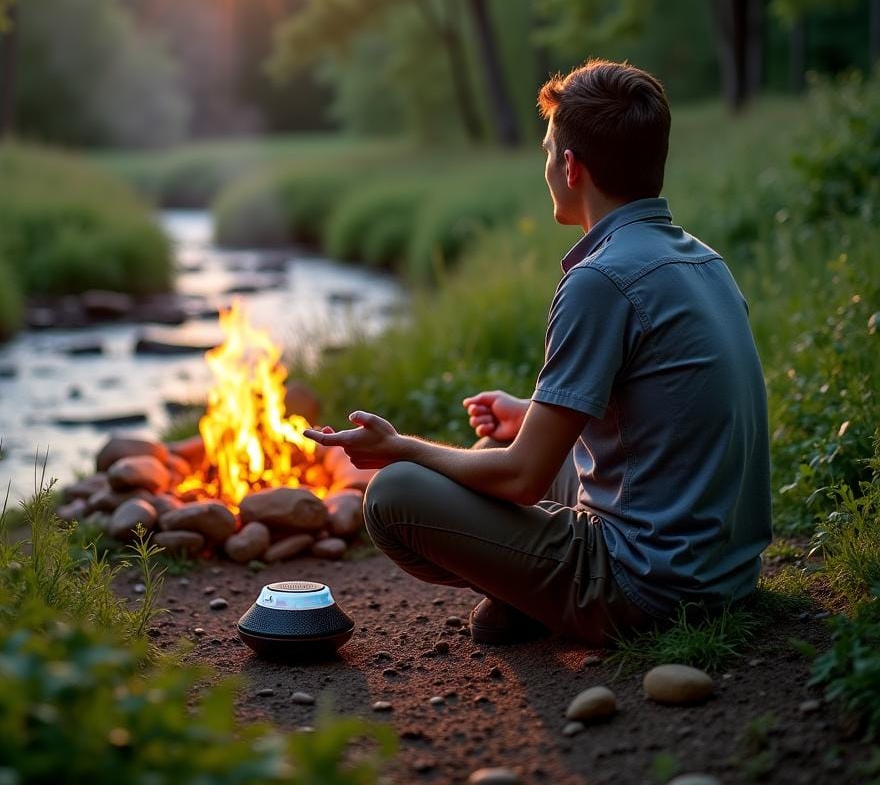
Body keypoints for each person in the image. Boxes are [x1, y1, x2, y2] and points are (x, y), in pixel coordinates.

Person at [304, 59, 772, 646]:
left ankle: (545, 603)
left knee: (393, 495)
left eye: (549, 152)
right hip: (724, 573)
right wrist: (533, 416)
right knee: (493, 447)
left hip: (649, 587)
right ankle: (530, 596)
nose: (546, 167)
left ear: (571, 168)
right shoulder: (704, 261)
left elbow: (524, 480)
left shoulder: (601, 279)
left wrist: (398, 447)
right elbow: (670, 415)